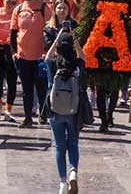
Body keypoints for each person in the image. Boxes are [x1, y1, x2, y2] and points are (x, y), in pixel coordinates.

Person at [44, 29, 86, 194]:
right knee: (73, 143)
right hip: (74, 111)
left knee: (60, 147)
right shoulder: (77, 65)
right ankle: (73, 172)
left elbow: (47, 56)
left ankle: (62, 183)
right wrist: (75, 41)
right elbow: (83, 57)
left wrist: (57, 39)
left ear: (59, 47)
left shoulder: (53, 63)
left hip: (55, 111)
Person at [11, 0, 52, 128]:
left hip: (39, 56)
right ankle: (27, 117)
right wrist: (14, 52)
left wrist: (46, 52)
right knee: (27, 89)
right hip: (23, 56)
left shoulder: (43, 8)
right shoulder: (19, 9)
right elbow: (13, 32)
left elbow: (50, 31)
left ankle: (43, 115)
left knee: (41, 88)